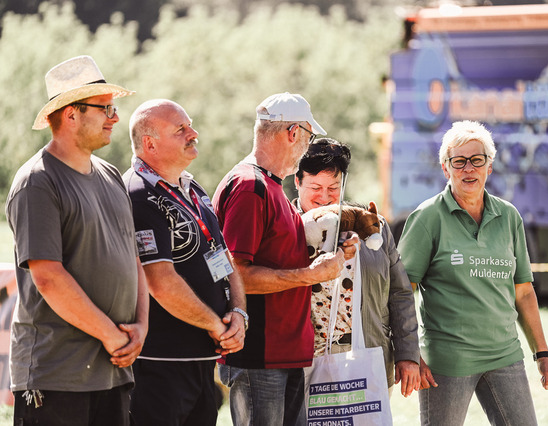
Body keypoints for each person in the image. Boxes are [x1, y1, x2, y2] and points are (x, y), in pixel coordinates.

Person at [5, 55, 148, 425]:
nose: (115, 118)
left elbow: (133, 259)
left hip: (112, 372)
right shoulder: (37, 181)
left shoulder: (111, 175)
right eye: (105, 108)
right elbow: (48, 278)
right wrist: (112, 336)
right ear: (71, 114)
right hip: (57, 376)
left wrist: (141, 327)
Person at [398, 120, 548, 425]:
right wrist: (409, 354)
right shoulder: (427, 218)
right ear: (445, 168)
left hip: (505, 355)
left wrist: (543, 354)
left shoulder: (509, 217)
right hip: (446, 362)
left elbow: (524, 292)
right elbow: (402, 291)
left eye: (477, 160)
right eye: (459, 161)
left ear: (490, 166)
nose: (468, 169)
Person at [212, 92, 353, 425]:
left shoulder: (270, 186)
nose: (306, 149)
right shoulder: (250, 186)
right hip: (260, 356)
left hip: (284, 355)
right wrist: (312, 275)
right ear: (293, 133)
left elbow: (280, 258)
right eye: (307, 138)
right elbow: (236, 275)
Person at [125, 99, 247, 425]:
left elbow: (224, 258)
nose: (193, 133)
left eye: (190, 125)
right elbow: (160, 282)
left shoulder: (191, 188)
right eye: (180, 129)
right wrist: (217, 326)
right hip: (160, 364)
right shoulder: (139, 193)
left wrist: (239, 313)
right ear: (150, 143)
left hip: (203, 361)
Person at [292, 138, 421, 399]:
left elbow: (400, 293)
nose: (325, 197)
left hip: (369, 357)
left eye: (333, 187)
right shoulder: (284, 227)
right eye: (315, 187)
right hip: (304, 364)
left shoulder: (373, 227)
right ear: (297, 181)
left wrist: (408, 354)